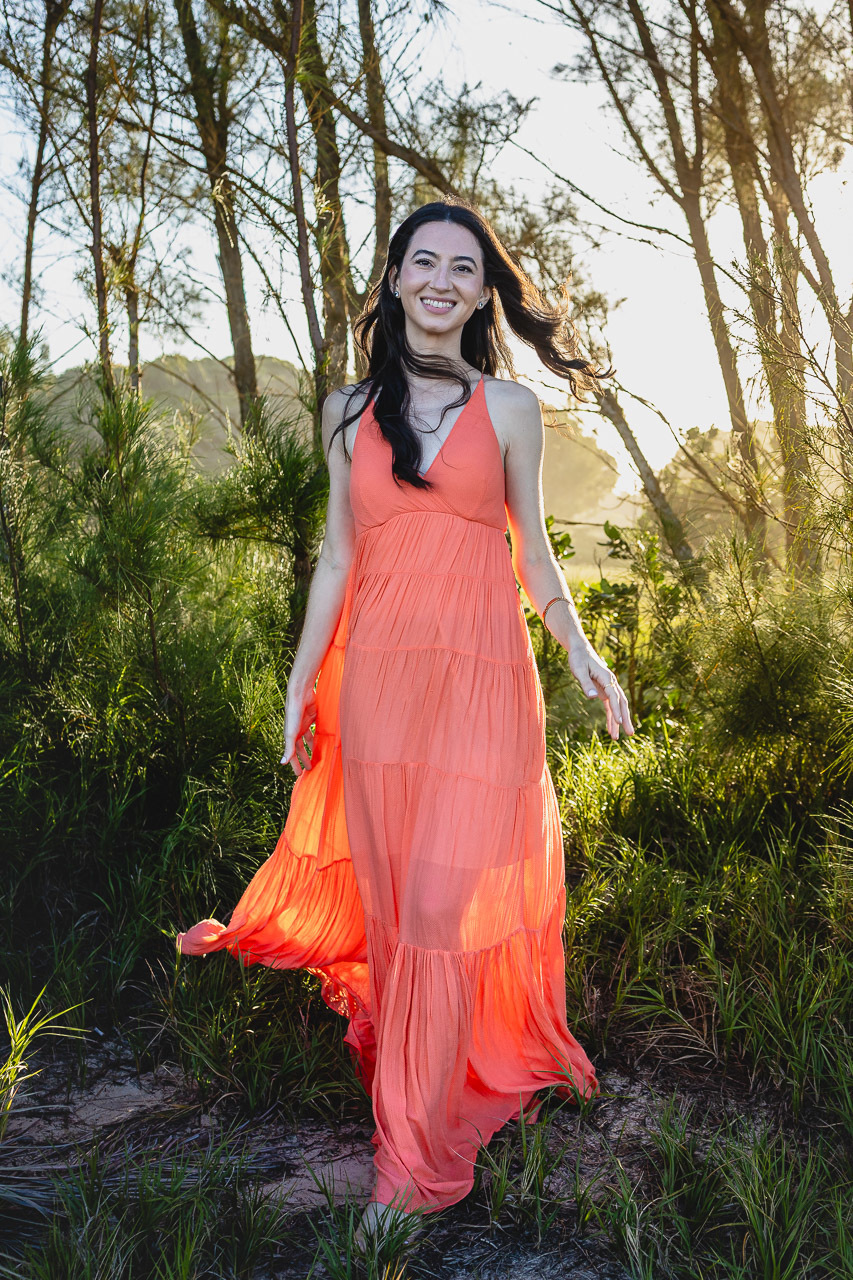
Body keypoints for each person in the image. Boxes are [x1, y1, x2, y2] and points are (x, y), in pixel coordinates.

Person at [177, 200, 634, 1242]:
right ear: (392, 280)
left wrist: (579, 648)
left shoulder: (510, 408)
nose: (440, 280)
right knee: (399, 912)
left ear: (481, 293)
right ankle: (417, 1104)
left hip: (482, 683)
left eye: (462, 268)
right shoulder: (346, 411)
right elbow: (338, 556)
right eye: (421, 262)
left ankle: (411, 1168)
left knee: (439, 910)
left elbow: (533, 554)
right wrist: (300, 683)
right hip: (378, 683)